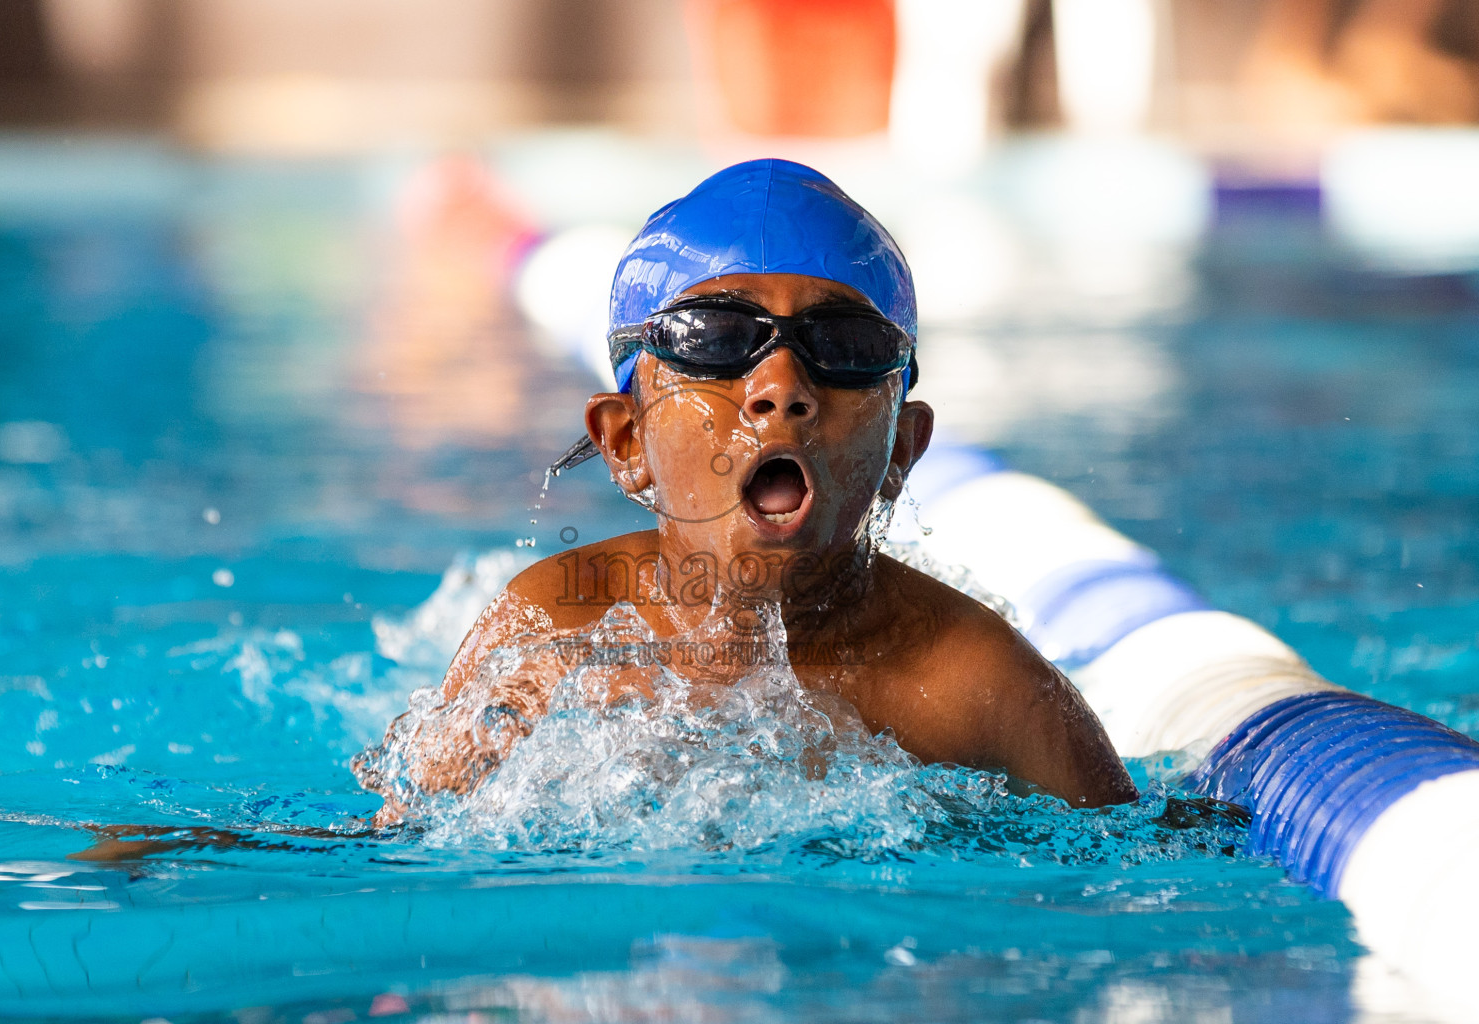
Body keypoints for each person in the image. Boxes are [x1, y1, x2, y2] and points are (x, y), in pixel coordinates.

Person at [359, 159, 1136, 826]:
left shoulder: (984, 693)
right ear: (627, 443)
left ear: (901, 448)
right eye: (718, 339)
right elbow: (392, 856)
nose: (781, 388)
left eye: (844, 347)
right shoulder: (556, 629)